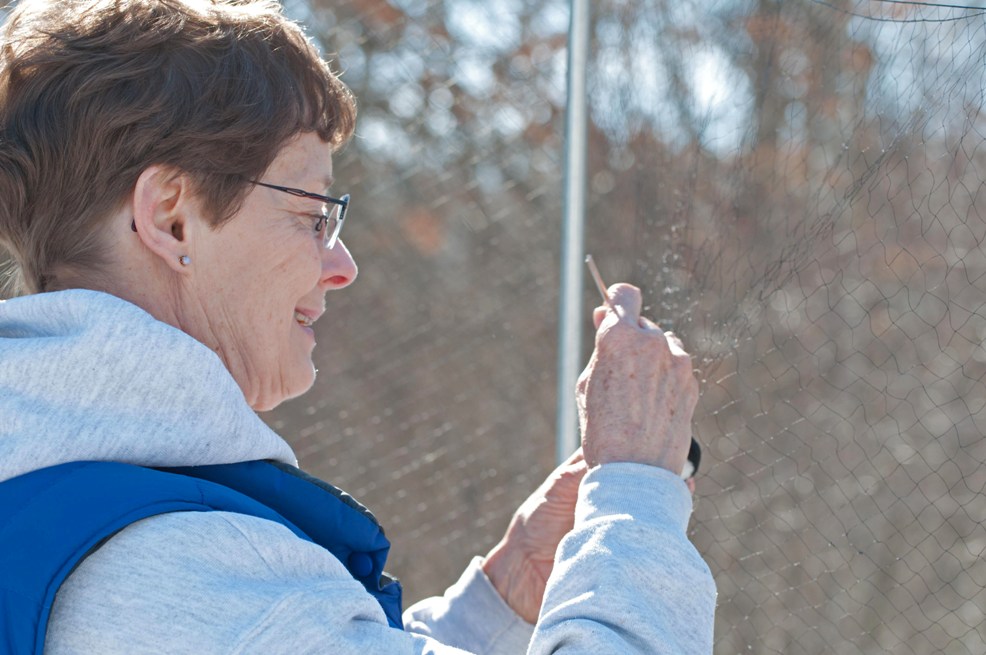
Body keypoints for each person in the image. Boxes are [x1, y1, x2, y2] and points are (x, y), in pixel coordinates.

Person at [0, 0, 716, 653]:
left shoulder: (61, 503)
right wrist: (634, 490)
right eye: (312, 214)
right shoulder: (180, 566)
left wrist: (505, 595)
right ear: (170, 216)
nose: (341, 264)